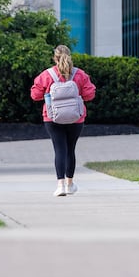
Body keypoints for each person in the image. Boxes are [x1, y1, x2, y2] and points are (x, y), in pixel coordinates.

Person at [30, 45, 96, 197]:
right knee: (70, 150)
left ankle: (60, 185)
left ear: (55, 57)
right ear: (70, 56)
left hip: (52, 117)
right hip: (76, 118)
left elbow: (35, 95)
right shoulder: (79, 75)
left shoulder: (47, 75)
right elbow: (90, 94)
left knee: (59, 149)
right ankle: (70, 184)